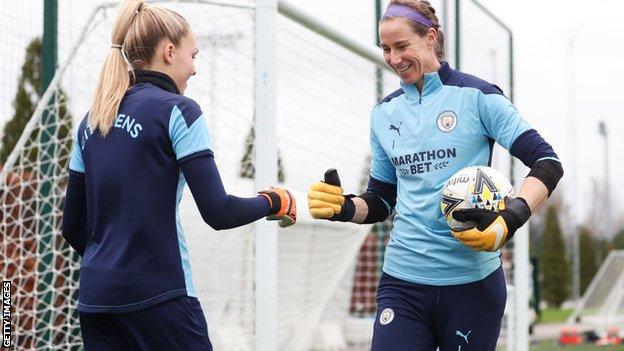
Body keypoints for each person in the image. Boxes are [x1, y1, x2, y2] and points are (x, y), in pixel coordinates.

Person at [307, 1, 563, 350]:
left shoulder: (478, 97)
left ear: (430, 37)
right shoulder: (384, 114)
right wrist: (346, 208)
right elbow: (382, 199)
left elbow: (547, 162)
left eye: (402, 46)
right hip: (402, 281)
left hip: (473, 283)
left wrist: (510, 218)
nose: (394, 58)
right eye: (385, 48)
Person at [61, 1, 296, 350]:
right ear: (169, 52)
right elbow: (219, 211)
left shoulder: (92, 120)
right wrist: (273, 201)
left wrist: (113, 265)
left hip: (96, 301)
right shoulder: (179, 111)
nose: (195, 69)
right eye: (194, 55)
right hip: (160, 298)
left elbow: (71, 228)